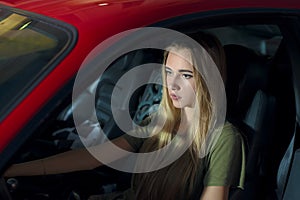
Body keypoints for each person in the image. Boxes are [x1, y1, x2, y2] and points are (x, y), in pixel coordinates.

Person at [4, 32, 245, 200]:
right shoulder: (159, 120)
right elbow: (93, 157)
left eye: (185, 75)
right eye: (168, 72)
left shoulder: (223, 138)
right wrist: (13, 168)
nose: (172, 84)